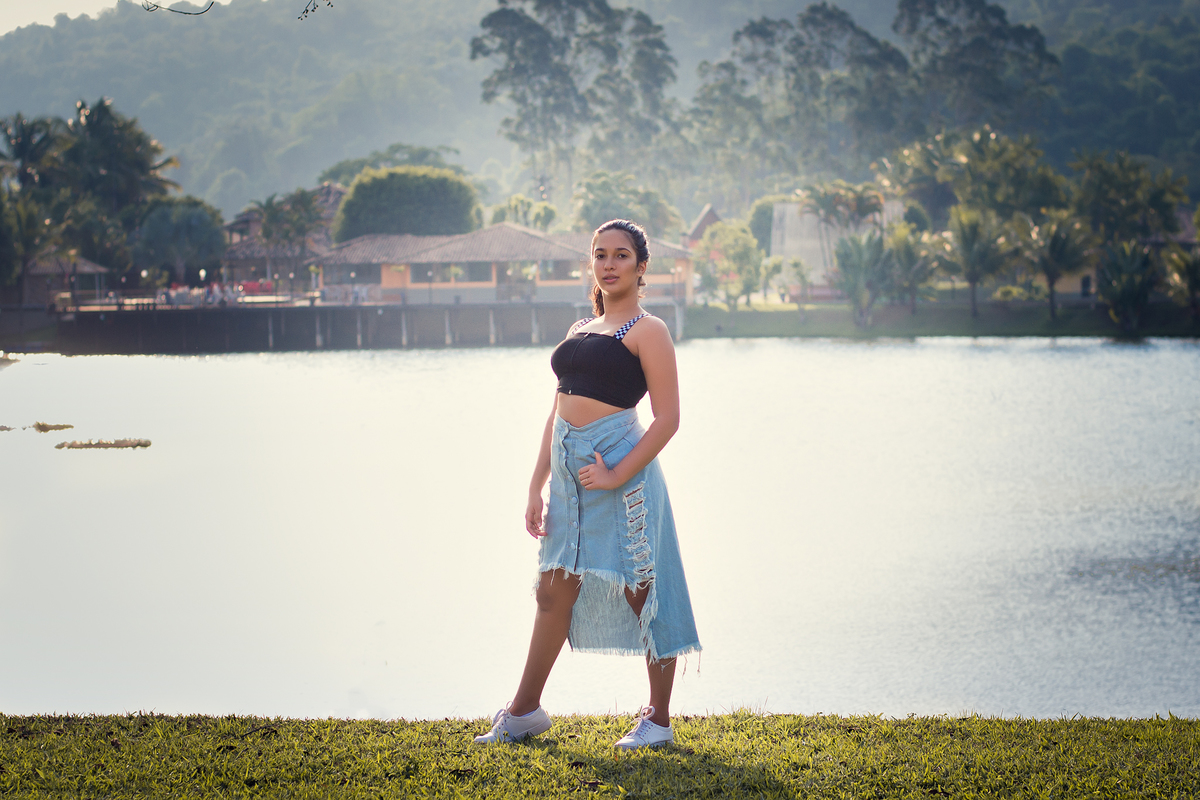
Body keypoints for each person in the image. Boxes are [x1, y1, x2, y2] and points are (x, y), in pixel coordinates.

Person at [475, 219, 700, 751]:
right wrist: (536, 485)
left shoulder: (648, 330)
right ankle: (524, 712)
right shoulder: (580, 329)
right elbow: (556, 412)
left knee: (643, 589)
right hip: (570, 478)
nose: (609, 263)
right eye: (600, 254)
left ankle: (659, 720)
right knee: (553, 591)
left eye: (621, 255)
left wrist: (617, 474)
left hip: (620, 474)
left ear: (641, 267)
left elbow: (667, 419)